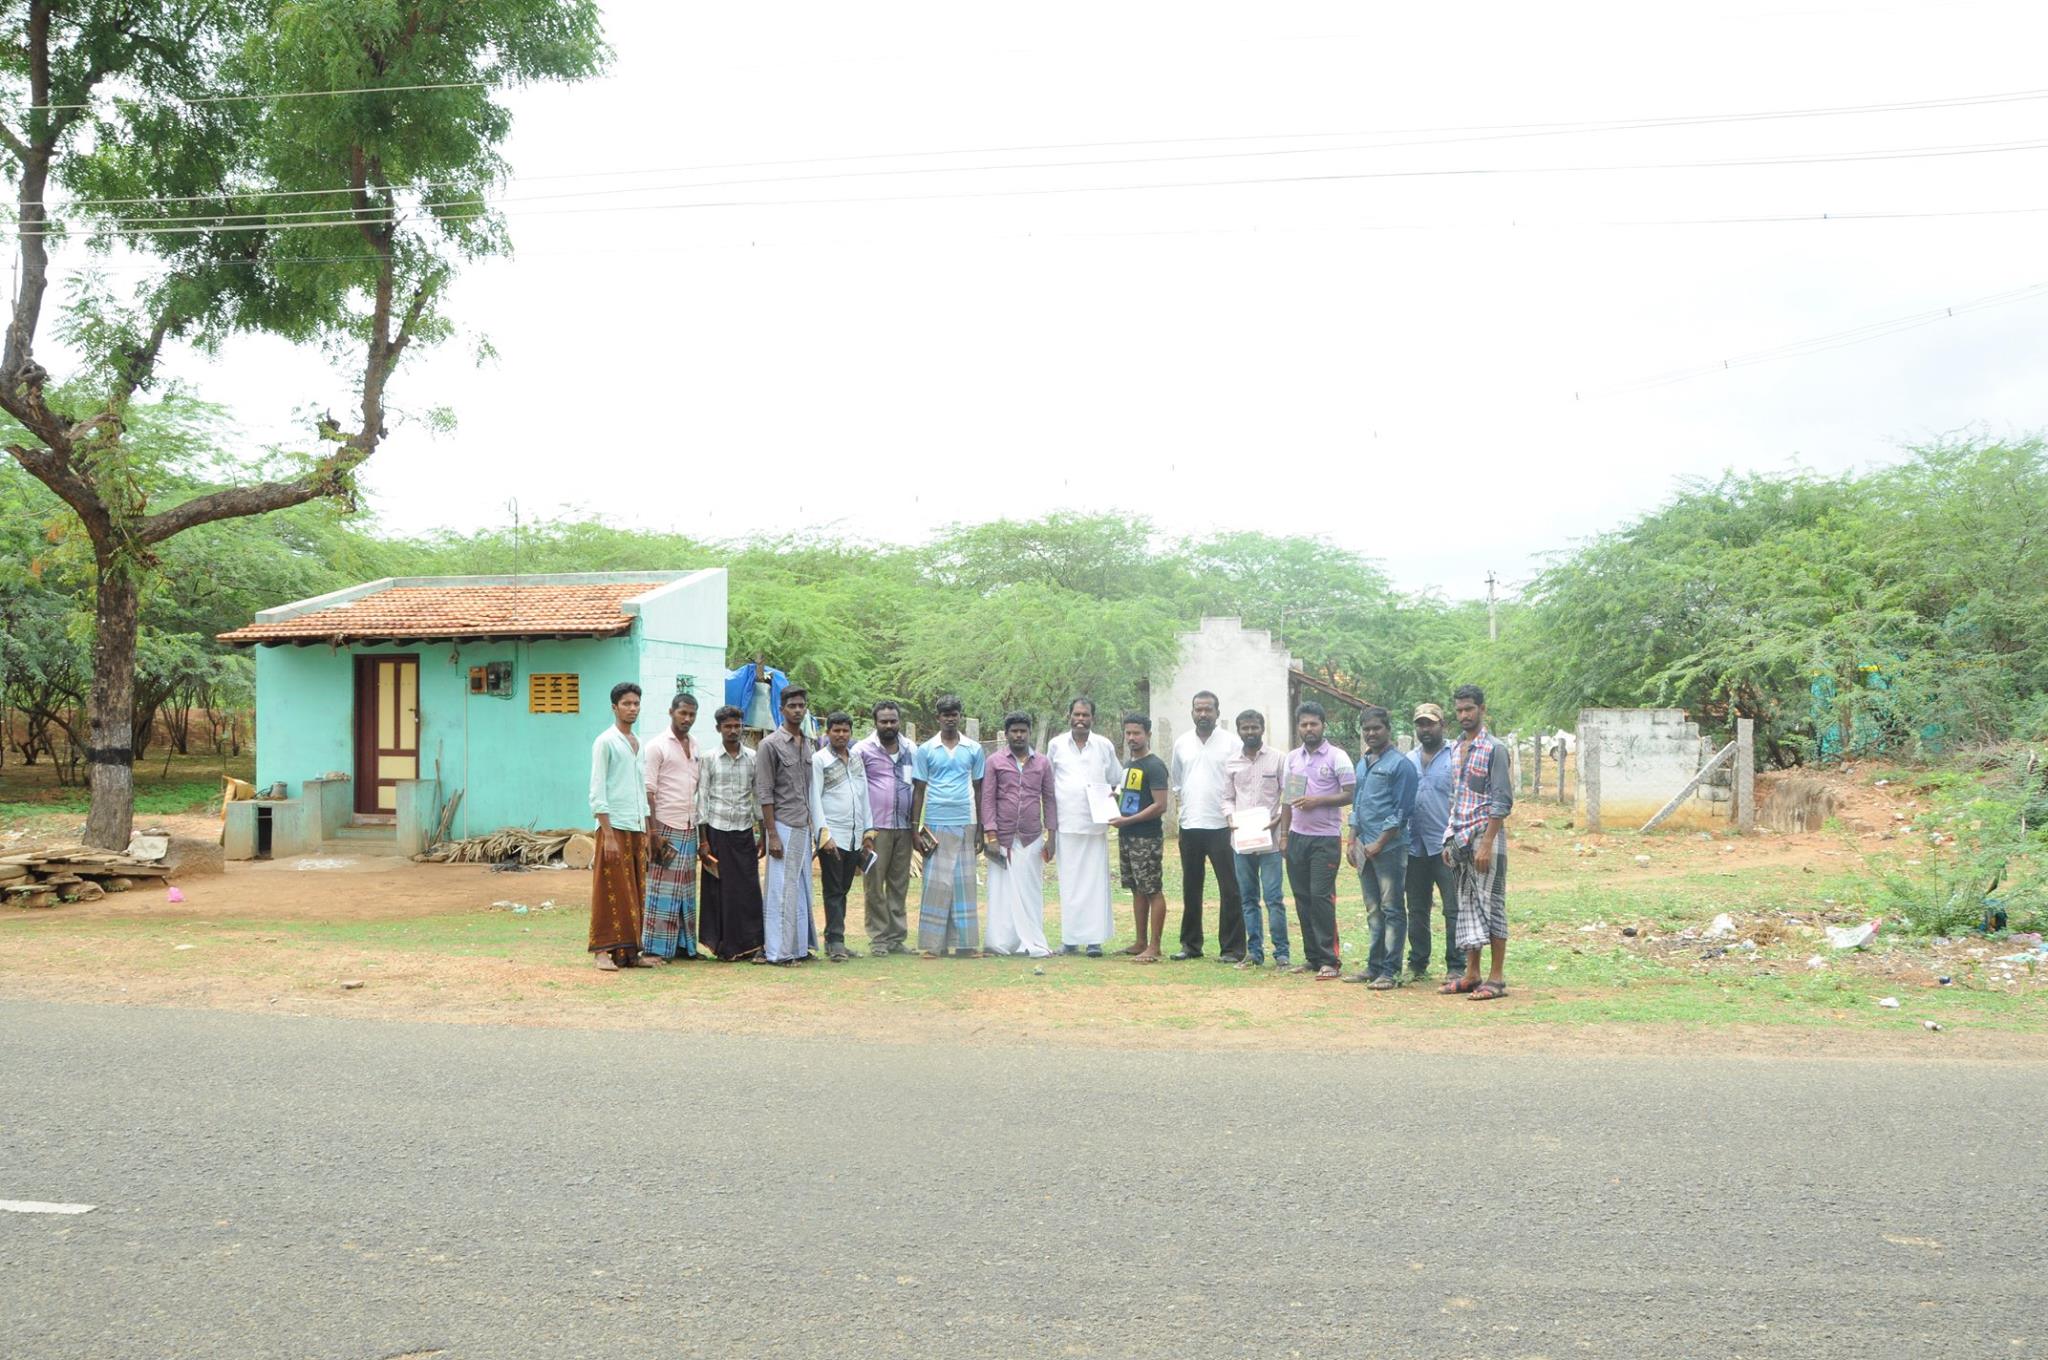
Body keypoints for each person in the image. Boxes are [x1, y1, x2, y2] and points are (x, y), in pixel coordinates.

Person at [1439, 684, 1514, 1001]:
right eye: (1459, 710)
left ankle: (1496, 978)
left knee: (1491, 902)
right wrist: (1448, 838)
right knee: (1466, 903)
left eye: (1469, 709)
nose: (1464, 715)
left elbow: (1502, 800)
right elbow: (1456, 798)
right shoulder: (1455, 748)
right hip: (1459, 834)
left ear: (1482, 710)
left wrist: (1487, 843)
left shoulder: (1495, 748)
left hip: (1486, 834)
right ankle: (1471, 973)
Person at [1168, 690, 1246, 963]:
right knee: (1191, 887)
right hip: (1190, 825)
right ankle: (1191, 945)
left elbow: (1240, 782)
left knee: (1230, 888)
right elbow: (1178, 781)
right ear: (1192, 712)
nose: (1203, 714)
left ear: (1217, 713)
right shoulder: (1182, 743)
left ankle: (1232, 948)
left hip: (1223, 825)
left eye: (1208, 710)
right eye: (1198, 709)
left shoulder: (1232, 743)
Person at [1345, 705, 1420, 989]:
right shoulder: (1363, 763)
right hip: (1365, 847)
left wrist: (1379, 842)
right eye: (1366, 729)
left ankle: (1390, 971)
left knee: (1392, 909)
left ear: (1387, 729)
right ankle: (1373, 966)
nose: (1371, 733)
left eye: (1376, 728)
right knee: (1373, 909)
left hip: (1389, 850)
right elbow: (1357, 805)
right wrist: (1352, 840)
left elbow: (1402, 812)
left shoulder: (1400, 765)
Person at [1283, 701, 1355, 981]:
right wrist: (1284, 836)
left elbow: (1350, 793)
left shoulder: (1338, 757)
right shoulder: (1293, 758)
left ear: (1323, 725)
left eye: (1314, 723)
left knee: (1321, 898)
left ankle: (1330, 960)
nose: (1309, 728)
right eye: (1304, 724)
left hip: (1325, 839)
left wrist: (1318, 800)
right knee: (1302, 899)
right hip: (1297, 838)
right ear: (1298, 727)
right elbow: (1288, 799)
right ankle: (1312, 958)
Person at [911, 695, 987, 958]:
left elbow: (980, 790)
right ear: (938, 718)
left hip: (966, 821)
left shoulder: (974, 749)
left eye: (954, 713)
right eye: (945, 714)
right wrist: (914, 829)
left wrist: (981, 828)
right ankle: (935, 945)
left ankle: (966, 945)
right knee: (936, 884)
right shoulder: (926, 749)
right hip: (935, 822)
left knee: (963, 884)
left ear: (959, 716)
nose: (950, 718)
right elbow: (918, 790)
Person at [1045, 696, 1121, 957]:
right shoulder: (1056, 745)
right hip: (1066, 825)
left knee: (1095, 884)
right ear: (1069, 716)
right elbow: (1049, 784)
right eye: (1076, 714)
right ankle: (1070, 940)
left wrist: (1112, 802)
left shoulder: (1103, 746)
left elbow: (1116, 780)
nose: (1080, 719)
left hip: (1095, 825)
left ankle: (1094, 941)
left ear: (1093, 718)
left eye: (1085, 715)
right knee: (1069, 884)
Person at [588, 681, 652, 971]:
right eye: (626, 704)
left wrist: (648, 829)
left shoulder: (637, 742)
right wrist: (608, 833)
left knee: (634, 891)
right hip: (613, 827)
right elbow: (598, 788)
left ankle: (629, 953)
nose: (632, 709)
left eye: (636, 703)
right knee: (608, 889)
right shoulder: (606, 741)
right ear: (614, 707)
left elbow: (641, 788)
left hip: (636, 826)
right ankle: (602, 951)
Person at [982, 712, 1057, 959]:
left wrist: (1052, 836)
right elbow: (988, 799)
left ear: (1029, 732)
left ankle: (1031, 942)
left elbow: (1049, 799)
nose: (1018, 735)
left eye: (1023, 731)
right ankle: (1000, 942)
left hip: (1030, 836)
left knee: (1030, 890)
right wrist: (990, 836)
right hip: (1001, 836)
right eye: (1014, 731)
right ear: (1006, 734)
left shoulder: (1042, 763)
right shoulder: (994, 761)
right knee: (1001, 890)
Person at [1219, 708, 1289, 971]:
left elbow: (1288, 796)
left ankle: (1281, 953)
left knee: (1273, 898)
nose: (1250, 732)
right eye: (1245, 728)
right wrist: (1230, 819)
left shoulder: (1278, 759)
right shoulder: (1231, 762)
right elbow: (1227, 798)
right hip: (1242, 841)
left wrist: (1278, 820)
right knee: (1248, 898)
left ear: (1262, 728)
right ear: (1239, 731)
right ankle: (1254, 952)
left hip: (1269, 841)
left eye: (1254, 727)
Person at [695, 704, 765, 962]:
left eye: (737, 726)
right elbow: (702, 799)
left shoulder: (753, 757)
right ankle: (724, 947)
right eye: (728, 727)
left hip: (744, 832)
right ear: (718, 729)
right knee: (720, 891)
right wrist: (703, 841)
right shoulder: (709, 758)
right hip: (716, 831)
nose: (733, 731)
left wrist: (764, 836)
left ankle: (751, 944)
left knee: (747, 890)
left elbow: (757, 796)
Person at [756, 685, 817, 965]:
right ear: (781, 710)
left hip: (803, 825)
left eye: (801, 705)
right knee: (781, 891)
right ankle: (779, 953)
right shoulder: (769, 745)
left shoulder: (808, 742)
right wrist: (772, 835)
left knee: (801, 889)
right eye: (792, 705)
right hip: (781, 826)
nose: (797, 710)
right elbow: (765, 792)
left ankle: (800, 948)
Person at [640, 690, 702, 962]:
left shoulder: (696, 746)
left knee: (685, 891)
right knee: (661, 890)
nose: (687, 718)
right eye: (683, 713)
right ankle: (655, 948)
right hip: (663, 825)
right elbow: (648, 792)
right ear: (671, 713)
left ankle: (684, 947)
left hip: (689, 826)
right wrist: (651, 831)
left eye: (691, 714)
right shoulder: (657, 746)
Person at [853, 701, 917, 955]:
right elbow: (857, 789)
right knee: (874, 883)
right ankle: (878, 939)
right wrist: (863, 830)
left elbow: (918, 785)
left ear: (899, 721)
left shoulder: (911, 748)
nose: (889, 725)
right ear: (875, 723)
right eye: (884, 721)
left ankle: (896, 939)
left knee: (899, 884)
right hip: (875, 829)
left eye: (893, 721)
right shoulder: (862, 750)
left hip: (904, 826)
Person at [809, 710, 872, 963]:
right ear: (828, 733)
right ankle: (835, 942)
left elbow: (864, 795)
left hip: (855, 834)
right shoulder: (819, 760)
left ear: (851, 733)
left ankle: (837, 940)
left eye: (845, 730)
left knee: (844, 889)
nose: (841, 735)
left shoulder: (856, 758)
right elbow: (815, 798)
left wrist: (868, 832)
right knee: (833, 890)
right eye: (836, 730)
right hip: (833, 835)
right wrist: (824, 835)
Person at [1405, 703, 1460, 982]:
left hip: (1447, 847)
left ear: (1443, 725)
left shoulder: (1456, 756)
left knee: (1453, 908)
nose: (1425, 729)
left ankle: (1456, 965)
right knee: (1416, 908)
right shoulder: (1409, 759)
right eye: (1420, 724)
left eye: (1430, 724)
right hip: (1415, 847)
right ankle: (1417, 963)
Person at [1111, 712, 1171, 963]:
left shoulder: (1154, 765)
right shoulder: (1129, 765)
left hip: (1146, 838)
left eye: (1137, 733)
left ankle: (1155, 946)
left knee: (1152, 890)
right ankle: (1140, 941)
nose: (1132, 738)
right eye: (1128, 733)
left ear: (1147, 734)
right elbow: (1128, 798)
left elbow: (1160, 805)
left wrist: (1129, 821)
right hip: (1127, 835)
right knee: (1136, 889)